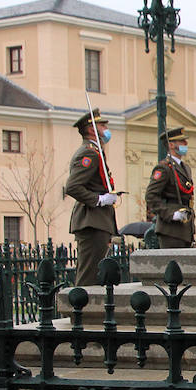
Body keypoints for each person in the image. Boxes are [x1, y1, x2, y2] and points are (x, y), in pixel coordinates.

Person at [64, 109, 119, 286]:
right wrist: (99, 199)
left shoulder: (96, 151)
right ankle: (81, 313)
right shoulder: (88, 153)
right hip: (91, 220)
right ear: (90, 129)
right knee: (89, 276)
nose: (106, 128)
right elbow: (72, 187)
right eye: (102, 125)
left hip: (98, 221)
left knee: (95, 274)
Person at [144, 128, 196, 249]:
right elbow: (150, 196)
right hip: (170, 229)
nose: (186, 144)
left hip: (185, 227)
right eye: (182, 141)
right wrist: (170, 214)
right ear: (171, 145)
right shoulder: (164, 167)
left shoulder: (185, 167)